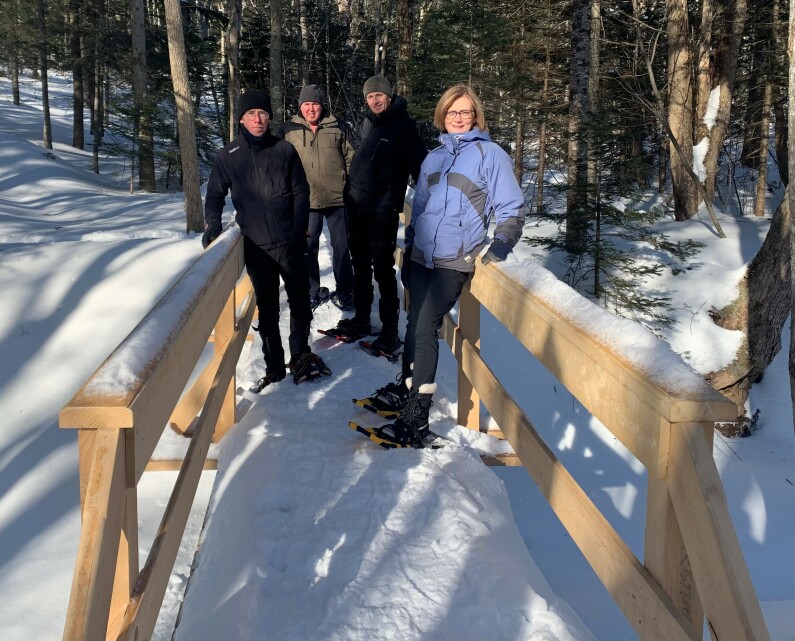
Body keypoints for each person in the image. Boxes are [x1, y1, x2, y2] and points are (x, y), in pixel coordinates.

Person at [365, 84, 526, 447]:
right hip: (421, 257)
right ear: (442, 115)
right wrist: (408, 253)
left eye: (465, 112)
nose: (457, 118)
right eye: (452, 112)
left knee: (424, 327)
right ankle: (405, 388)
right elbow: (418, 207)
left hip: (454, 261)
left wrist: (501, 243)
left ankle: (417, 416)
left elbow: (511, 206)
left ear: (476, 116)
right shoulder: (434, 158)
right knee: (414, 323)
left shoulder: (490, 155)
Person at [203, 89, 331, 389]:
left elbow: (301, 191)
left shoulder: (284, 150)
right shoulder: (229, 156)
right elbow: (214, 196)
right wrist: (212, 227)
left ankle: (300, 354)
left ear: (269, 118)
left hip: (290, 242)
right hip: (256, 246)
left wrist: (300, 231)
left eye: (263, 114)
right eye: (251, 114)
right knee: (269, 309)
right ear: (242, 120)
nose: (258, 119)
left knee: (300, 304)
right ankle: (274, 367)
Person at [329, 75, 426, 352]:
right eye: (370, 96)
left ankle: (390, 331)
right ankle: (361, 319)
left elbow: (421, 167)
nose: (374, 100)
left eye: (379, 95)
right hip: (357, 209)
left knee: (383, 270)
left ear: (389, 95)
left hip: (382, 211)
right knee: (359, 266)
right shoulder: (370, 123)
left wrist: (426, 205)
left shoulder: (403, 126)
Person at [281, 84, 356, 312]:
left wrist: (351, 187)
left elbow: (352, 157)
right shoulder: (288, 130)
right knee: (307, 247)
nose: (311, 109)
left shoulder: (339, 126)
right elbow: (280, 163)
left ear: (322, 105)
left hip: (338, 198)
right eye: (306, 104)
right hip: (305, 201)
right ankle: (311, 291)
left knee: (341, 246)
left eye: (315, 104)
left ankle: (345, 290)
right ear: (300, 107)